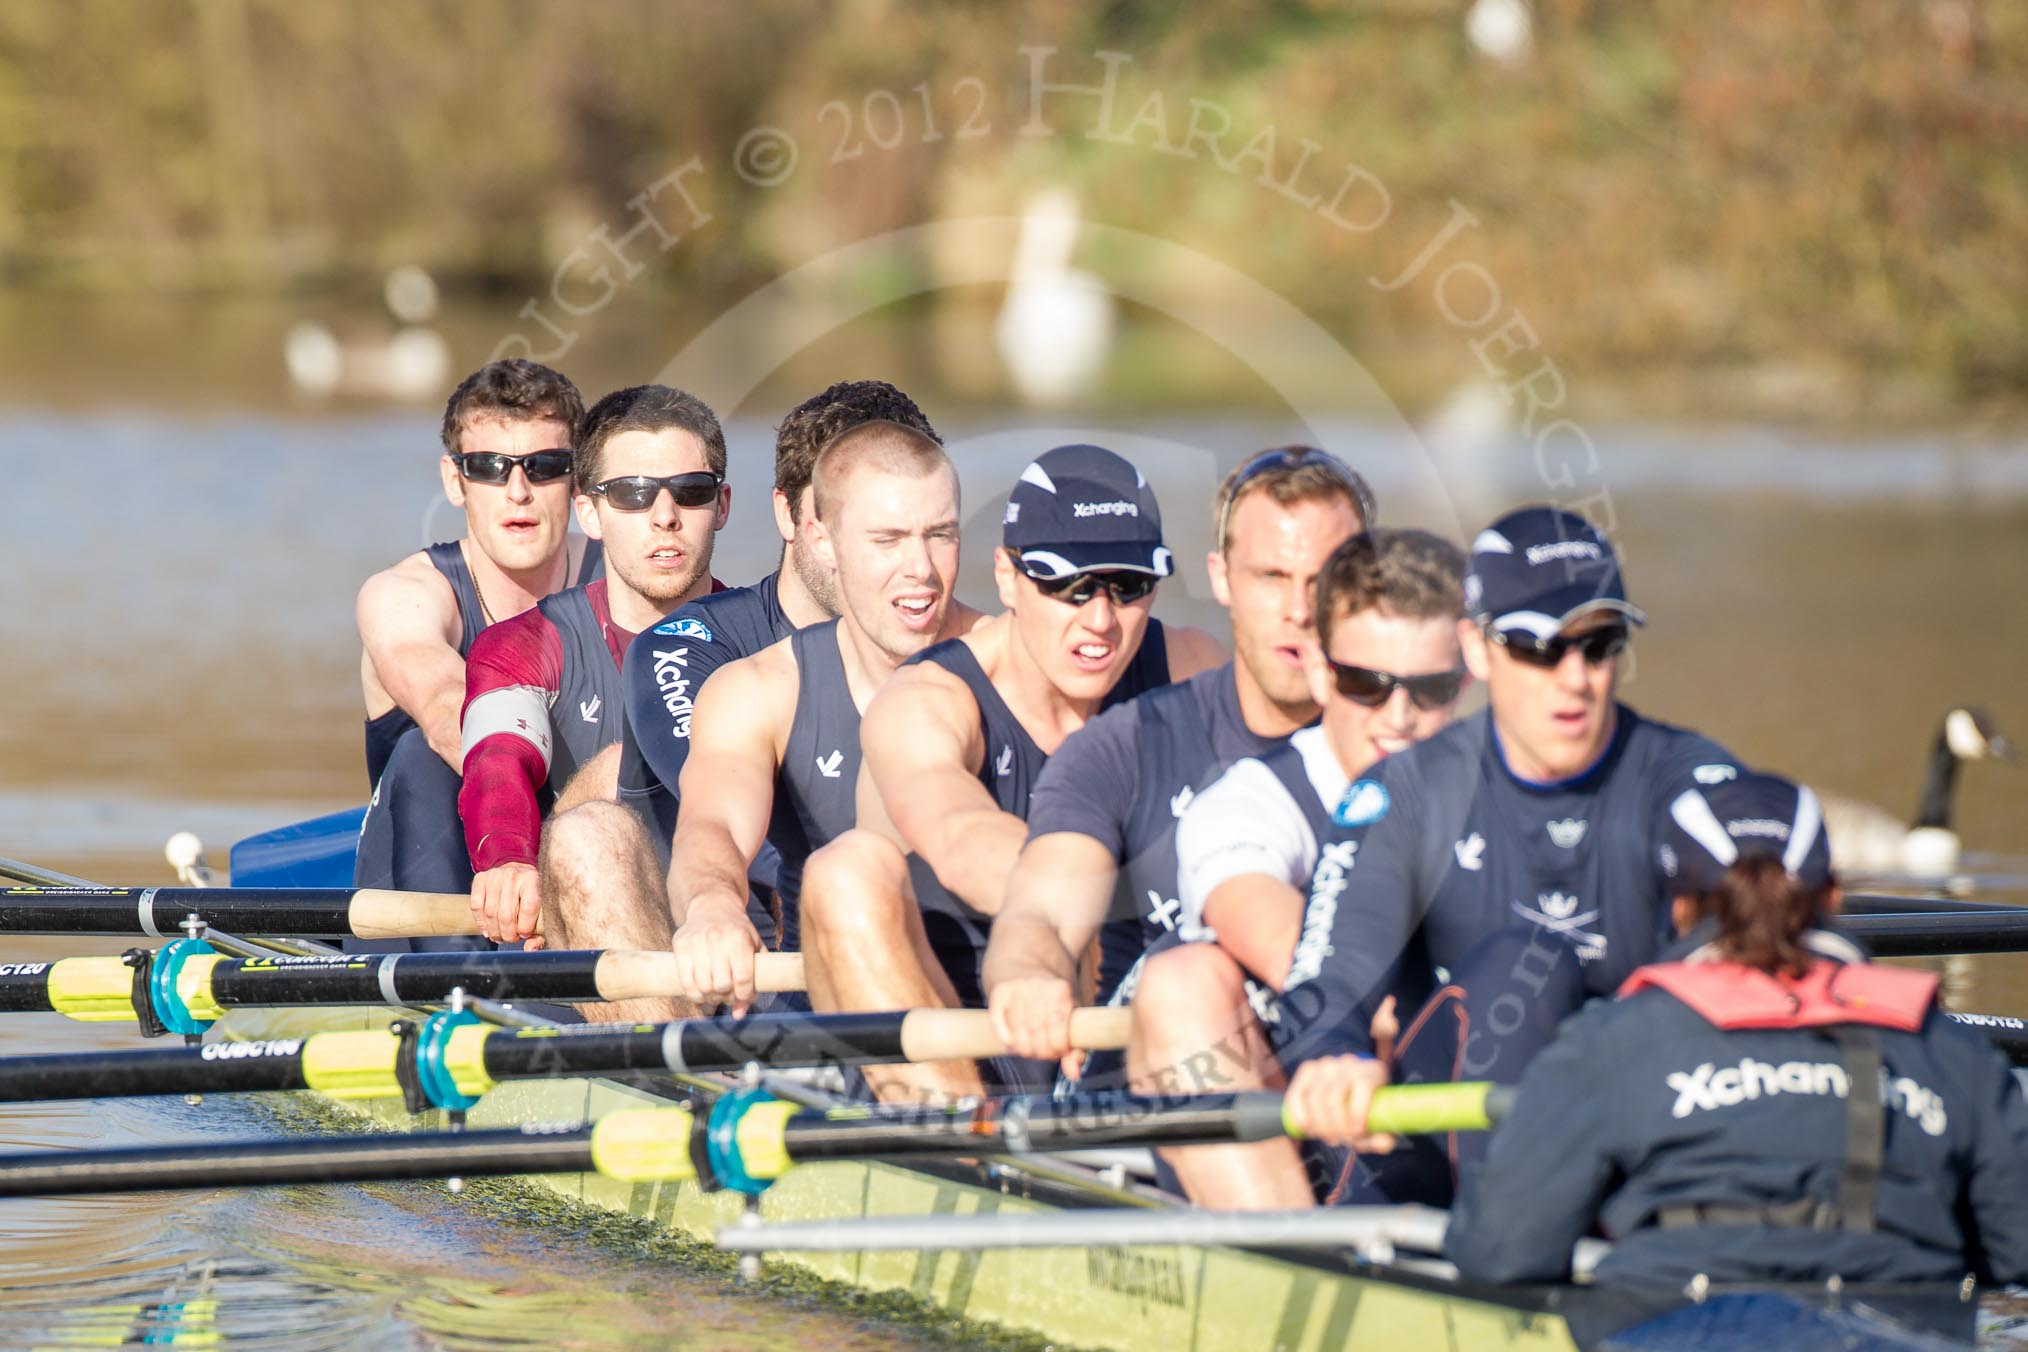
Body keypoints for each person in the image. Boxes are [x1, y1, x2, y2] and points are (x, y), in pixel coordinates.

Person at [1276, 506, 1745, 1209]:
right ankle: (1510, 1254)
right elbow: (1327, 985)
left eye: (1599, 643)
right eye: (1538, 645)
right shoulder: (1404, 796)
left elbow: (1772, 944)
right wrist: (1331, 1060)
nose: (1575, 677)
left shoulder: (1692, 783)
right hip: (1444, 1149)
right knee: (1527, 968)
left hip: (1641, 1125)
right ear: (1476, 648)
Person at [1446, 769, 2028, 1319]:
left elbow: (1501, 1251)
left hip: (1675, 1320)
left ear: (1678, 907)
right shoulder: (1949, 1049)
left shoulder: (1609, 1044)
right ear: (1832, 899)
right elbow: (2016, 1248)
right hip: (1904, 1324)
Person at [801, 443, 1225, 1103]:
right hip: (960, 1030)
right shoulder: (928, 702)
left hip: (1135, 1014)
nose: (1101, 619)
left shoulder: (1192, 667)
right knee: (844, 873)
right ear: (1007, 577)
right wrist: (1064, 924)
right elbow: (964, 837)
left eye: (1130, 585)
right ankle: (964, 1158)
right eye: (1067, 584)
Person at [539, 420, 982, 1023]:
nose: (919, 568)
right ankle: (686, 1088)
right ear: (813, 532)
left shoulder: (1019, 659)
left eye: (939, 534)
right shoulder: (749, 679)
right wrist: (714, 904)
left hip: (999, 998)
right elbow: (713, 821)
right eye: (887, 537)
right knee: (588, 822)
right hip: (825, 985)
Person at [983, 447, 1373, 1068]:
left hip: (1352, 1086)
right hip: (1154, 1108)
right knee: (1191, 979)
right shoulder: (1119, 750)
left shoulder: (1415, 746)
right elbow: (1042, 917)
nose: (1300, 611)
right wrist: (1031, 972)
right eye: (1271, 577)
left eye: (1325, 580)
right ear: (1221, 578)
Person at [1125, 528, 1472, 1208]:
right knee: (1184, 981)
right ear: (1319, 669)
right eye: (1367, 683)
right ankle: (1291, 1273)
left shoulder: (1511, 788)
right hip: (1296, 1111)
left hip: (1436, 1099)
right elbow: (1286, 939)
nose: (1398, 718)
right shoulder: (1250, 803)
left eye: (1429, 689)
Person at [614, 380, 941, 859]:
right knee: (587, 832)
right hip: (703, 919)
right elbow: (729, 821)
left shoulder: (965, 644)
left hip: (877, 908)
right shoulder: (684, 648)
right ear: (788, 516)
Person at [460, 384, 729, 946]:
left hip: (734, 921)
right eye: (632, 494)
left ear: (721, 505)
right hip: (589, 914)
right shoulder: (525, 644)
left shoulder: (769, 638)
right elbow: (498, 761)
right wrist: (509, 860)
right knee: (615, 771)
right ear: (589, 512)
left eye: (691, 491)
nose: (664, 517)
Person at [352, 360, 599, 917]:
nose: (518, 491)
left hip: (586, 866)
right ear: (454, 481)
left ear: (578, 476)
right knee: (430, 748)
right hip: (429, 884)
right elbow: (447, 715)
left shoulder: (624, 579)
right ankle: (450, 981)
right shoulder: (405, 595)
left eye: (545, 466)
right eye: (489, 467)